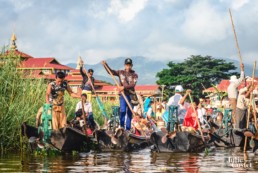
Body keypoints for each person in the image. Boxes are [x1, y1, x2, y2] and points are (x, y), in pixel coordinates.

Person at [102, 58, 138, 131]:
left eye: (129, 65)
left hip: (131, 96)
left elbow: (132, 85)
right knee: (122, 111)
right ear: (125, 65)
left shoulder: (134, 75)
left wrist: (123, 87)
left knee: (129, 113)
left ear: (132, 65)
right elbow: (111, 72)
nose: (128, 66)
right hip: (123, 95)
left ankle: (127, 129)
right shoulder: (121, 72)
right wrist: (105, 65)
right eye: (127, 65)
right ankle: (121, 128)